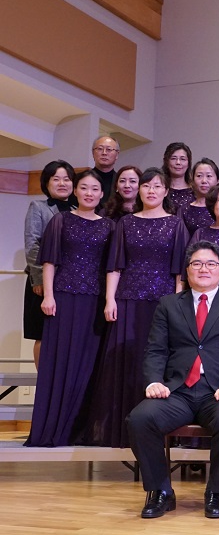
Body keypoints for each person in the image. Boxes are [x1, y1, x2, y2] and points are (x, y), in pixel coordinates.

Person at [127, 240, 219, 519]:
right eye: (197, 263)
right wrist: (153, 381)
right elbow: (156, 349)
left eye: (210, 264)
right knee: (139, 419)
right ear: (187, 270)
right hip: (178, 392)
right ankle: (161, 491)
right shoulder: (169, 304)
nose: (203, 269)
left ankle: (215, 491)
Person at [80, 167, 189, 448]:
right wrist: (110, 300)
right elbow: (115, 266)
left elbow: (180, 271)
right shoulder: (125, 223)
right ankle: (123, 430)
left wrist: (178, 305)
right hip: (128, 301)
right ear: (139, 191)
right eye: (146, 186)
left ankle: (161, 428)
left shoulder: (176, 224)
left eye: (157, 186)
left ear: (166, 191)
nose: (151, 191)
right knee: (127, 361)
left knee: (161, 360)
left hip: (163, 303)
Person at [26, 170, 114, 447]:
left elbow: (111, 267)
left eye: (95, 189)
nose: (89, 193)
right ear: (76, 191)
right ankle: (52, 429)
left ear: (102, 194)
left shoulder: (109, 226)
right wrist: (48, 296)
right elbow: (49, 261)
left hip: (95, 302)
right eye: (84, 187)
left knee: (88, 364)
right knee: (60, 362)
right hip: (62, 299)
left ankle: (81, 429)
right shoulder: (60, 220)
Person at [23, 160, 75, 369]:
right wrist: (39, 280)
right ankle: (42, 382)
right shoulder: (39, 207)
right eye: (56, 179)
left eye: (67, 179)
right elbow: (32, 245)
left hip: (69, 282)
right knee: (42, 333)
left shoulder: (77, 209)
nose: (62, 183)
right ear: (46, 182)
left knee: (64, 334)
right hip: (42, 282)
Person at [177, 158, 218, 235]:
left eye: (209, 176)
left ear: (218, 180)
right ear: (192, 180)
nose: (204, 181)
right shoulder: (184, 210)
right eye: (199, 176)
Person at [162, 142, 194, 208]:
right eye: (173, 158)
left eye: (183, 159)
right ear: (166, 162)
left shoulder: (195, 192)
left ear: (188, 163)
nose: (178, 162)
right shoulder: (160, 189)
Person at [91, 135, 120, 207]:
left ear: (117, 154)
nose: (104, 153)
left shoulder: (121, 182)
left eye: (109, 149)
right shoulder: (81, 180)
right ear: (93, 153)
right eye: (100, 149)